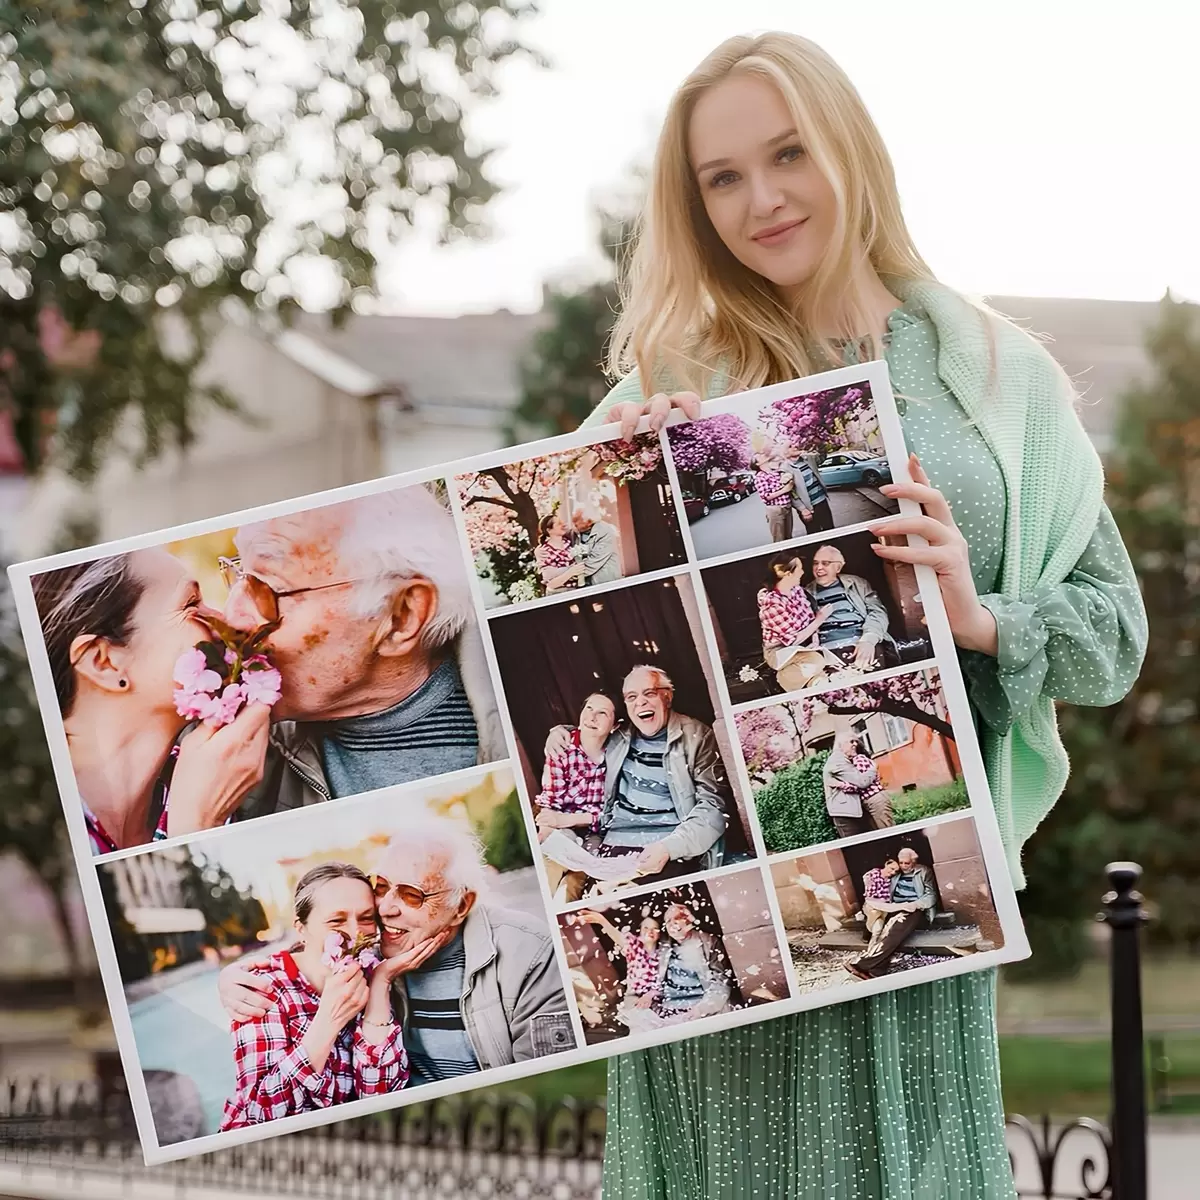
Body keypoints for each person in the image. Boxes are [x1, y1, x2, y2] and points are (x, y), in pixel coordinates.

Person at [585, 31, 1147, 1199]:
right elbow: (563, 585)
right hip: (726, 927)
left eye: (787, 153)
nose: (763, 199)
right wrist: (618, 480)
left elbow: (1113, 638)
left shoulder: (994, 378)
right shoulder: (667, 382)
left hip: (927, 886)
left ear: (850, 146)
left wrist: (979, 613)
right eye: (722, 178)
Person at [217, 815, 574, 1083]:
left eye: (411, 895)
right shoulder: (371, 953)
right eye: (382, 886)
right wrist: (236, 973)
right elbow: (323, 940)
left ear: (461, 906)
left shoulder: (528, 952)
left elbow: (549, 1080)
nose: (385, 907)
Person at [224, 487, 506, 818]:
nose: (231, 616)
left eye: (267, 589)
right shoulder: (214, 742)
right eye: (238, 572)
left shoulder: (514, 760)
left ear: (401, 616)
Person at [33, 550, 271, 853]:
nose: (224, 621)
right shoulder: (47, 842)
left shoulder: (230, 776)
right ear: (103, 662)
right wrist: (196, 830)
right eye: (191, 605)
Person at [219, 863, 408, 1128]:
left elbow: (381, 1095)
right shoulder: (264, 988)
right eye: (336, 920)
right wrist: (327, 1023)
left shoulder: (372, 971)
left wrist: (379, 986)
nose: (356, 933)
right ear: (301, 928)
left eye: (366, 918)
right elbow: (261, 1114)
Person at [545, 665, 730, 887]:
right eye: (631, 697)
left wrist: (669, 848)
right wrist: (558, 732)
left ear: (667, 697)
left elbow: (714, 807)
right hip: (614, 845)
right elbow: (592, 728)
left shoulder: (697, 737)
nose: (640, 702)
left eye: (649, 693)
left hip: (667, 847)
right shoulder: (620, 734)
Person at [535, 693, 619, 902]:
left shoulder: (618, 755)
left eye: (602, 713)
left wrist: (570, 820)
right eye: (589, 709)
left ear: (615, 726)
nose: (592, 717)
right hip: (560, 822)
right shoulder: (562, 748)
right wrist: (548, 828)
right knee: (552, 861)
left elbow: (613, 811)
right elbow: (551, 797)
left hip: (595, 830)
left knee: (579, 876)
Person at [846, 847, 938, 980]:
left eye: (907, 863)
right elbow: (877, 878)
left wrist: (914, 905)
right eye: (901, 863)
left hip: (914, 908)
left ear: (914, 862)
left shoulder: (923, 871)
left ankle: (862, 965)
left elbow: (931, 896)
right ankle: (877, 971)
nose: (903, 866)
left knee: (894, 930)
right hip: (893, 907)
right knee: (886, 931)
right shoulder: (895, 872)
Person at [806, 543, 895, 672]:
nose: (819, 568)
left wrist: (868, 640)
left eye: (825, 563)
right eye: (815, 563)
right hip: (827, 651)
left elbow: (878, 612)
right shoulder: (805, 593)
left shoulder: (858, 584)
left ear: (838, 567)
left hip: (860, 643)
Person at [757, 551, 830, 692]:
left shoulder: (796, 590)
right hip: (779, 650)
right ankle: (781, 681)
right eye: (800, 569)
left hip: (802, 644)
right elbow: (792, 640)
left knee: (819, 672)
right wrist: (820, 619)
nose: (803, 572)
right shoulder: (772, 605)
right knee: (816, 661)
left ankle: (809, 683)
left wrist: (815, 640)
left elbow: (809, 617)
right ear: (788, 574)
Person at [652, 902, 736, 1023]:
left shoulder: (709, 942)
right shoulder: (664, 948)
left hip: (701, 1008)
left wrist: (701, 1009)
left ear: (688, 919)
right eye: (668, 921)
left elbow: (722, 983)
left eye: (677, 918)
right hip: (671, 1010)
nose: (672, 924)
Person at [574, 909, 663, 1011]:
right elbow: (618, 937)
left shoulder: (664, 954)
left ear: (659, 933)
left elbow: (666, 983)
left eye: (654, 928)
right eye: (646, 927)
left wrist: (650, 995)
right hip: (634, 1000)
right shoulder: (634, 946)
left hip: (660, 1000)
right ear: (640, 931)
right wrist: (601, 920)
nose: (650, 931)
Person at [822, 731, 892, 837]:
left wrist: (841, 784)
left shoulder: (849, 760)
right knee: (859, 846)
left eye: (856, 741)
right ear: (841, 744)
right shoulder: (839, 760)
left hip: (852, 810)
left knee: (884, 833)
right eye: (851, 741)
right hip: (845, 813)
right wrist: (874, 768)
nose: (855, 744)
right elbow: (862, 782)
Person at [785, 445, 835, 534]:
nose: (795, 446)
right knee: (814, 532)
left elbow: (822, 457)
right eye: (790, 446)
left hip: (821, 501)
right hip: (807, 507)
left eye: (795, 444)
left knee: (829, 530)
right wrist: (802, 509)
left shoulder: (808, 458)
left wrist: (820, 443)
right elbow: (790, 493)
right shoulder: (785, 468)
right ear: (785, 452)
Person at [534, 514, 589, 594]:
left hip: (577, 590)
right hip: (558, 594)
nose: (563, 524)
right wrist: (571, 572)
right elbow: (551, 584)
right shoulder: (545, 552)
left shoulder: (569, 541)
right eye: (559, 523)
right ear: (549, 530)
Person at [570, 504, 622, 586]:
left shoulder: (605, 532)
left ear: (589, 522)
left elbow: (592, 564)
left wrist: (566, 576)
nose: (573, 524)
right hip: (587, 583)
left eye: (576, 520)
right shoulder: (576, 532)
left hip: (606, 583)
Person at [752, 448, 795, 541]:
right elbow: (766, 496)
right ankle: (781, 556)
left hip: (786, 506)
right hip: (776, 509)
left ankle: (791, 555)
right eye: (759, 456)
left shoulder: (774, 472)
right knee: (779, 538)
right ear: (757, 464)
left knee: (789, 536)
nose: (762, 454)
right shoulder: (760, 477)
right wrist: (785, 490)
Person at [861, 856, 902, 941]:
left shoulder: (891, 880)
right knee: (875, 912)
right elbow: (870, 894)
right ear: (887, 864)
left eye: (896, 871)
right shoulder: (874, 874)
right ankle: (868, 932)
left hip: (884, 906)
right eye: (892, 868)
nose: (893, 872)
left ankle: (869, 936)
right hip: (872, 903)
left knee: (879, 921)